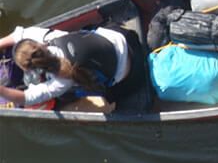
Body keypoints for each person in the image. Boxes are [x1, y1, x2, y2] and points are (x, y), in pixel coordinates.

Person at [0, 24, 142, 108]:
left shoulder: (62, 79)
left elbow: (25, 98)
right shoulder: (47, 37)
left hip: (130, 74)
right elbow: (19, 35)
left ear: (33, 69)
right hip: (121, 37)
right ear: (38, 45)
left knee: (65, 95)